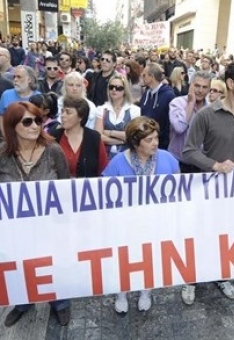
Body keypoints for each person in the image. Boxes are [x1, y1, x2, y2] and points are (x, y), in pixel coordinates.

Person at [181, 60, 234, 304]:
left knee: (229, 236)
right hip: (209, 191)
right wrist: (214, 165)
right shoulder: (207, 114)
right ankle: (191, 280)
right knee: (200, 235)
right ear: (231, 83)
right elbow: (188, 151)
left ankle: (223, 276)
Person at [0, 101, 72, 327]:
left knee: (53, 264)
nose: (36, 126)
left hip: (51, 226)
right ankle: (23, 303)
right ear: (12, 125)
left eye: (38, 120)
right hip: (16, 228)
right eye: (28, 121)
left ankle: (60, 303)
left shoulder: (53, 150)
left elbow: (65, 185)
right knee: (20, 267)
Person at [102, 116, 179, 315]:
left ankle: (146, 291)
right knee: (125, 258)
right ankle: (122, 293)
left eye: (156, 138)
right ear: (136, 143)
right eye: (149, 140)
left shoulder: (168, 158)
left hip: (156, 223)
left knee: (150, 257)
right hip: (126, 224)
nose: (155, 143)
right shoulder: (119, 162)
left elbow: (179, 189)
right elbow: (104, 193)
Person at [51, 96, 108, 180]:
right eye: (62, 111)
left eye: (68, 112)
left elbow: (103, 170)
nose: (62, 116)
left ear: (80, 117)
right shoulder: (53, 137)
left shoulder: (94, 138)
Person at [169, 71, 211, 172]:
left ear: (209, 89)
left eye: (204, 87)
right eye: (197, 86)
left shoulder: (211, 108)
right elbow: (179, 128)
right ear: (190, 85)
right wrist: (191, 103)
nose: (200, 90)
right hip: (178, 162)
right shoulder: (177, 103)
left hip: (201, 165)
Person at [95, 73, 141, 159]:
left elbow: (133, 136)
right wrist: (120, 140)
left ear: (124, 91)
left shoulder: (134, 110)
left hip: (128, 156)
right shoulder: (101, 109)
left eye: (118, 88)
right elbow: (98, 137)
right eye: (111, 87)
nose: (114, 90)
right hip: (105, 156)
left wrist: (109, 132)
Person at [0, 66, 42, 134]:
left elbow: (41, 121)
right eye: (14, 77)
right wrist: (5, 135)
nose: (15, 80)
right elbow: (1, 117)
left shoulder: (38, 96)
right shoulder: (6, 94)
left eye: (19, 77)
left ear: (29, 79)